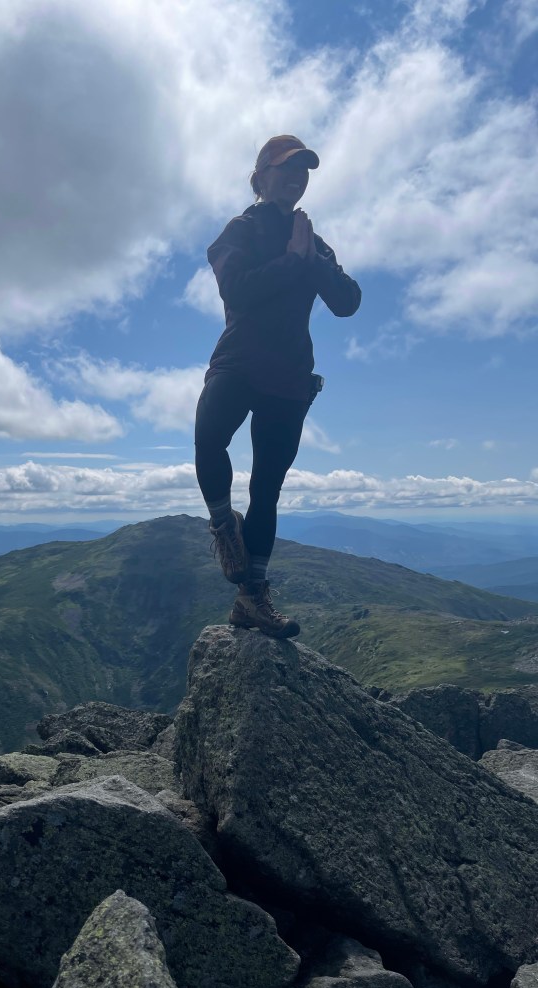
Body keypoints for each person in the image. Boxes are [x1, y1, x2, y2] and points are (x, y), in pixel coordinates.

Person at [194, 134, 361, 638]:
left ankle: (252, 599)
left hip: (290, 377)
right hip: (239, 361)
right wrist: (292, 260)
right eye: (286, 168)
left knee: (266, 488)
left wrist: (312, 259)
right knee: (208, 438)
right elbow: (236, 288)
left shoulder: (312, 240)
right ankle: (223, 525)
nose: (296, 177)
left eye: (302, 170)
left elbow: (348, 302)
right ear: (260, 176)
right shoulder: (240, 230)